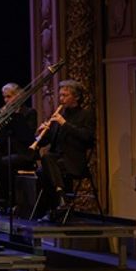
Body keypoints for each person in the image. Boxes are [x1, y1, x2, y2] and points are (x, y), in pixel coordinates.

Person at [36, 79, 97, 219]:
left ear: (76, 97)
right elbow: (47, 141)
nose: (61, 99)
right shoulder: (61, 115)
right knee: (41, 171)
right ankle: (58, 206)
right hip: (57, 161)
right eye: (60, 95)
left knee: (46, 162)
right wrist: (40, 134)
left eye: (65, 95)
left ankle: (59, 201)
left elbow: (88, 138)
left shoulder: (85, 115)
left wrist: (65, 124)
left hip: (74, 161)